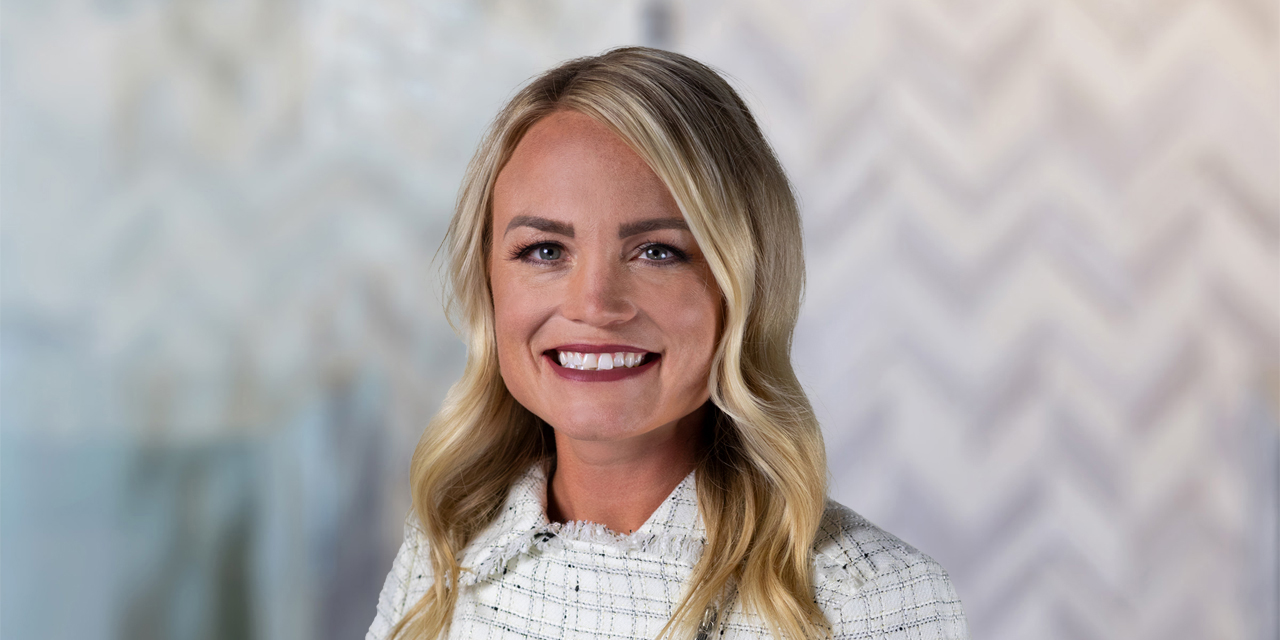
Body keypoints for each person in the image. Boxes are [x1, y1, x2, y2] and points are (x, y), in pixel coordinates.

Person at [365, 47, 968, 640]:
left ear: (746, 285)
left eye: (658, 251)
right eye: (545, 251)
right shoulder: (443, 551)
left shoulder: (871, 600)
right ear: (489, 284)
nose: (593, 305)